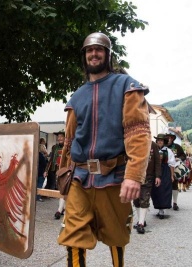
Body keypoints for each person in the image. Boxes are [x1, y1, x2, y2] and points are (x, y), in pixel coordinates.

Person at [57, 32, 151, 266]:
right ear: (84, 56)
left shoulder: (126, 86)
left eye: (99, 50)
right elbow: (69, 142)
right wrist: (64, 177)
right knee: (73, 236)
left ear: (108, 55)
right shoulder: (76, 97)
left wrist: (134, 175)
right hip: (80, 177)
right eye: (89, 50)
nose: (94, 54)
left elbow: (138, 133)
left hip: (114, 175)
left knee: (116, 235)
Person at [133, 141, 161, 234]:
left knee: (145, 198)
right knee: (136, 199)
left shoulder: (153, 145)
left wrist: (158, 176)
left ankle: (140, 224)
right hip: (134, 176)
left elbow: (157, 161)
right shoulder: (132, 142)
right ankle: (141, 220)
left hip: (148, 176)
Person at [151, 134, 176, 219]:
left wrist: (172, 175)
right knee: (156, 190)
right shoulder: (152, 150)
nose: (159, 142)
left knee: (164, 189)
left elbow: (172, 164)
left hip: (165, 171)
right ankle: (159, 209)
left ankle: (162, 210)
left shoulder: (168, 151)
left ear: (164, 141)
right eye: (158, 140)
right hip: (155, 171)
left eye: (161, 140)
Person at [165, 133, 187, 211]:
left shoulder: (177, 147)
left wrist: (179, 158)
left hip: (175, 168)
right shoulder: (161, 147)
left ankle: (175, 203)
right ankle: (165, 203)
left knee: (174, 184)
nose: (168, 139)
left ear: (172, 139)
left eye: (170, 138)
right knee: (164, 186)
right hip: (164, 169)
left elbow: (184, 156)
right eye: (167, 138)